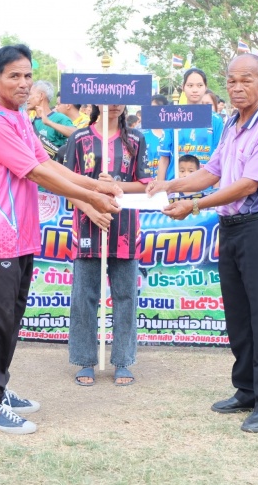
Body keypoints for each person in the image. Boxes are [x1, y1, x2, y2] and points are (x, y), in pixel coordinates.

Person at [0, 44, 121, 434]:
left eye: (27, 76)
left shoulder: (19, 117)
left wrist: (94, 185)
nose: (23, 83)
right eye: (14, 76)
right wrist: (91, 198)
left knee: (10, 318)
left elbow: (47, 162)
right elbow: (36, 173)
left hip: (22, 235)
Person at [148, 54, 258, 433]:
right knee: (238, 316)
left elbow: (247, 185)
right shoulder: (230, 123)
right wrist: (169, 184)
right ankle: (246, 390)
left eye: (246, 80)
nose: (237, 87)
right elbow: (212, 171)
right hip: (230, 228)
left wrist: (194, 205)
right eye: (231, 81)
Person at [66, 104, 150, 387]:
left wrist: (115, 185)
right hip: (87, 225)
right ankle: (85, 359)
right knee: (84, 296)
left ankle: (123, 360)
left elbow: (145, 183)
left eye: (119, 99)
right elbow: (65, 183)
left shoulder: (136, 138)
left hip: (125, 228)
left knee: (126, 296)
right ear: (94, 103)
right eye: (107, 99)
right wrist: (90, 208)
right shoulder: (79, 138)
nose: (113, 104)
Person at [157, 69, 224, 180]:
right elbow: (164, 158)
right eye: (190, 85)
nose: (195, 90)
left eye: (199, 85)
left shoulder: (216, 120)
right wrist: (160, 186)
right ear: (183, 87)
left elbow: (219, 158)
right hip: (175, 184)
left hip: (205, 185)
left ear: (205, 87)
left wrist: (217, 187)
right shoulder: (172, 116)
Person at [27, 80, 75, 158]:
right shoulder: (30, 122)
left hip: (55, 165)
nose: (27, 98)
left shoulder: (59, 118)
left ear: (41, 96)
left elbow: (76, 134)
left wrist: (49, 122)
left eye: (30, 94)